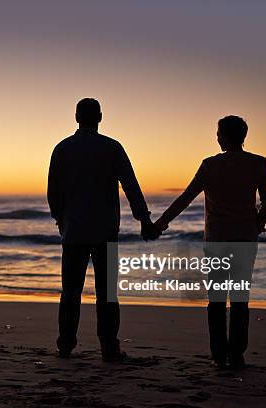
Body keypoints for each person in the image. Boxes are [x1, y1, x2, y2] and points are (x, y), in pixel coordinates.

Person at [151, 115, 266, 369]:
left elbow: (185, 198)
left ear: (225, 136)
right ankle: (237, 354)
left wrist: (161, 223)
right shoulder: (258, 163)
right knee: (240, 299)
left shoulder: (209, 165)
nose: (216, 137)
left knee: (216, 299)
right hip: (245, 240)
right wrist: (257, 224)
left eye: (218, 133)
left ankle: (219, 355)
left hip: (217, 240)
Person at [47, 98, 159, 361]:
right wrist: (143, 219)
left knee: (71, 292)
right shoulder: (111, 147)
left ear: (76, 117)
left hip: (73, 230)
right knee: (107, 292)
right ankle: (109, 347)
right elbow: (131, 185)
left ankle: (66, 344)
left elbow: (53, 192)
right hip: (105, 229)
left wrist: (60, 220)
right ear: (100, 117)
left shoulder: (62, 148)